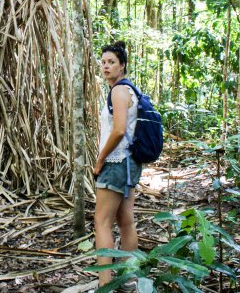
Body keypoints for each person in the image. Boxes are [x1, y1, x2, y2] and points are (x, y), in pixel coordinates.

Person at [93, 41, 141, 291]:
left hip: (115, 162)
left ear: (122, 66)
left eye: (111, 62)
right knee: (125, 220)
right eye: (103, 62)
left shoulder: (119, 91)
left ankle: (105, 283)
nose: (106, 66)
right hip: (130, 163)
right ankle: (129, 280)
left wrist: (100, 159)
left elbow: (119, 129)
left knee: (101, 222)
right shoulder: (130, 90)